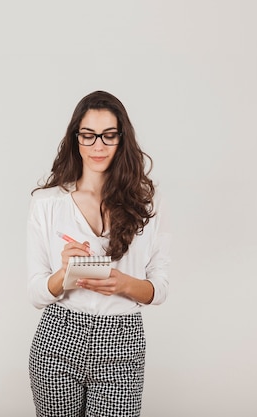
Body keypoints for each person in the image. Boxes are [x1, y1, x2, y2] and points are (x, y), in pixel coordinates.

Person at [26, 90, 170, 417]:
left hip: (122, 342)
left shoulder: (148, 201)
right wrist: (64, 274)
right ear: (76, 138)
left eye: (108, 135)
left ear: (122, 139)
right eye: (88, 135)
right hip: (58, 340)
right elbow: (35, 293)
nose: (98, 146)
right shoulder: (47, 203)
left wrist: (123, 284)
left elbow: (159, 287)